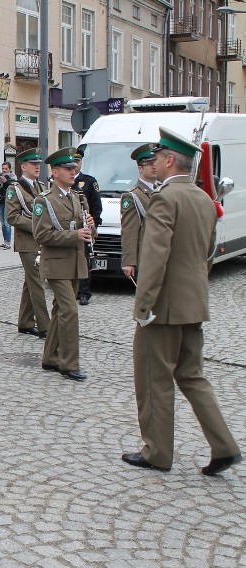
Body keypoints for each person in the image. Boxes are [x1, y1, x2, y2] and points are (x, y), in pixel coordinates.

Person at [123, 127, 241, 476]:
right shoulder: (205, 199)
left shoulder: (164, 198)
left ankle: (157, 452)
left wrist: (143, 304)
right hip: (193, 302)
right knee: (192, 376)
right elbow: (207, 252)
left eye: (157, 158)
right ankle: (224, 446)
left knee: (153, 378)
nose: (153, 163)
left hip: (163, 308)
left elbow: (156, 255)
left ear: (170, 160)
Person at [32, 147, 95, 382]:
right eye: (68, 169)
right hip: (56, 265)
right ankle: (69, 364)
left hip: (76, 264)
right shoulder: (44, 200)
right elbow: (41, 235)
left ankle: (50, 357)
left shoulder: (77, 198)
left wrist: (90, 227)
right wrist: (74, 235)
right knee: (69, 311)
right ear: (55, 171)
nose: (73, 171)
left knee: (60, 310)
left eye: (74, 168)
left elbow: (87, 233)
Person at [5, 149, 49, 338]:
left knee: (30, 282)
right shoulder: (15, 189)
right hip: (27, 242)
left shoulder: (41, 186)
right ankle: (45, 326)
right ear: (23, 167)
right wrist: (37, 226)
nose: (37, 166)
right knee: (37, 281)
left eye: (38, 163)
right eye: (33, 164)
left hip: (41, 241)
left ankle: (25, 322)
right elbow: (12, 217)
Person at [120, 143, 157, 280]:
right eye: (149, 163)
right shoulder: (133, 195)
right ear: (140, 168)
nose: (154, 166)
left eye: (156, 162)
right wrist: (129, 261)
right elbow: (129, 229)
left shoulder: (162, 190)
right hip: (147, 254)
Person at [72, 146, 102, 305]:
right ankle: (73, 289)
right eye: (73, 161)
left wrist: (93, 228)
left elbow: (96, 207)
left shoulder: (89, 181)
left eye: (77, 161)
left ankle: (84, 292)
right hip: (70, 228)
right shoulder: (64, 180)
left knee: (84, 260)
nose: (75, 165)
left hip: (85, 226)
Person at [0, 161, 14, 249]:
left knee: (7, 223)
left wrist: (5, 182)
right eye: (3, 168)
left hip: (8, 203)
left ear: (10, 169)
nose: (4, 170)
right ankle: (5, 241)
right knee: (2, 224)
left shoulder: (13, 178)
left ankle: (8, 243)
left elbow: (11, 190)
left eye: (6, 169)